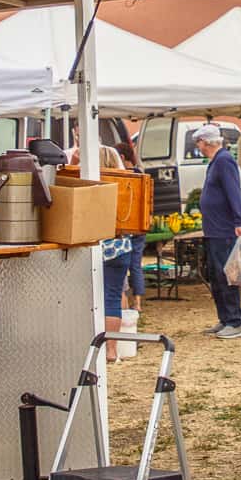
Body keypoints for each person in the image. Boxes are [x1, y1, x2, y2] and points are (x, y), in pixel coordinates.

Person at [194, 124, 241, 339]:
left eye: (198, 142)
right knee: (217, 275)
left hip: (223, 229)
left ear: (206, 142)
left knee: (226, 275)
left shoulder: (224, 161)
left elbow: (233, 191)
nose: (197, 146)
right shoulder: (217, 161)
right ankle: (225, 318)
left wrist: (239, 220)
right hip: (214, 228)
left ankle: (235, 321)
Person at [116, 140, 147, 311]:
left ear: (121, 157)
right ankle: (138, 302)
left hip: (125, 226)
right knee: (135, 265)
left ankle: (124, 301)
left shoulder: (121, 176)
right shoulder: (141, 175)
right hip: (138, 226)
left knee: (121, 264)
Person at [100, 233, 133, 362]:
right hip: (122, 247)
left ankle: (97, 348)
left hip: (99, 247)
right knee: (113, 297)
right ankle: (111, 350)